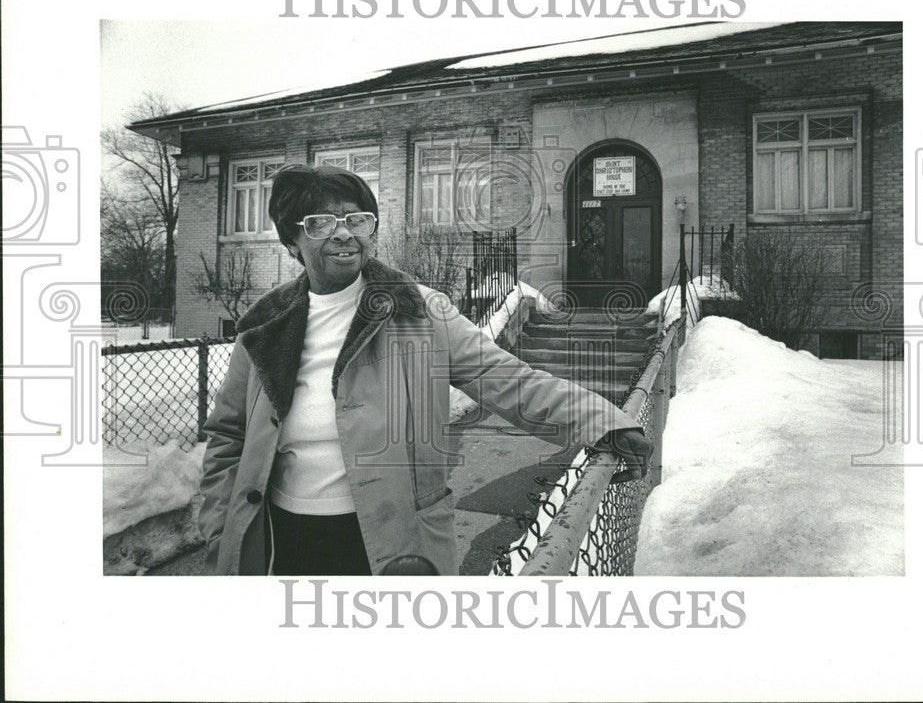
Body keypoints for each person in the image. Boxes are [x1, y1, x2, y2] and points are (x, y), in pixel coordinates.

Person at [198, 163, 652, 576]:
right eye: (321, 223)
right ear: (292, 240)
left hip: (394, 543)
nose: (344, 234)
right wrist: (222, 530)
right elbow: (228, 437)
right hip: (279, 541)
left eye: (357, 220)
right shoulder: (264, 326)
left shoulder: (418, 310)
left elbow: (511, 381)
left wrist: (604, 422)